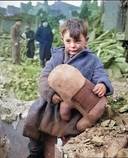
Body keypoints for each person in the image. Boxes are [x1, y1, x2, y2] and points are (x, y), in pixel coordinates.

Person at [23, 18, 114, 158]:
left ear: (86, 40)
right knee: (34, 114)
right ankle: (35, 150)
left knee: (72, 128)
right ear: (62, 40)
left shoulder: (92, 59)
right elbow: (44, 77)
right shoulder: (56, 57)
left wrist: (102, 83)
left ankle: (67, 149)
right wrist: (50, 94)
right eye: (68, 41)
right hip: (54, 102)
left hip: (76, 104)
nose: (73, 46)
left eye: (77, 41)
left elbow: (100, 74)